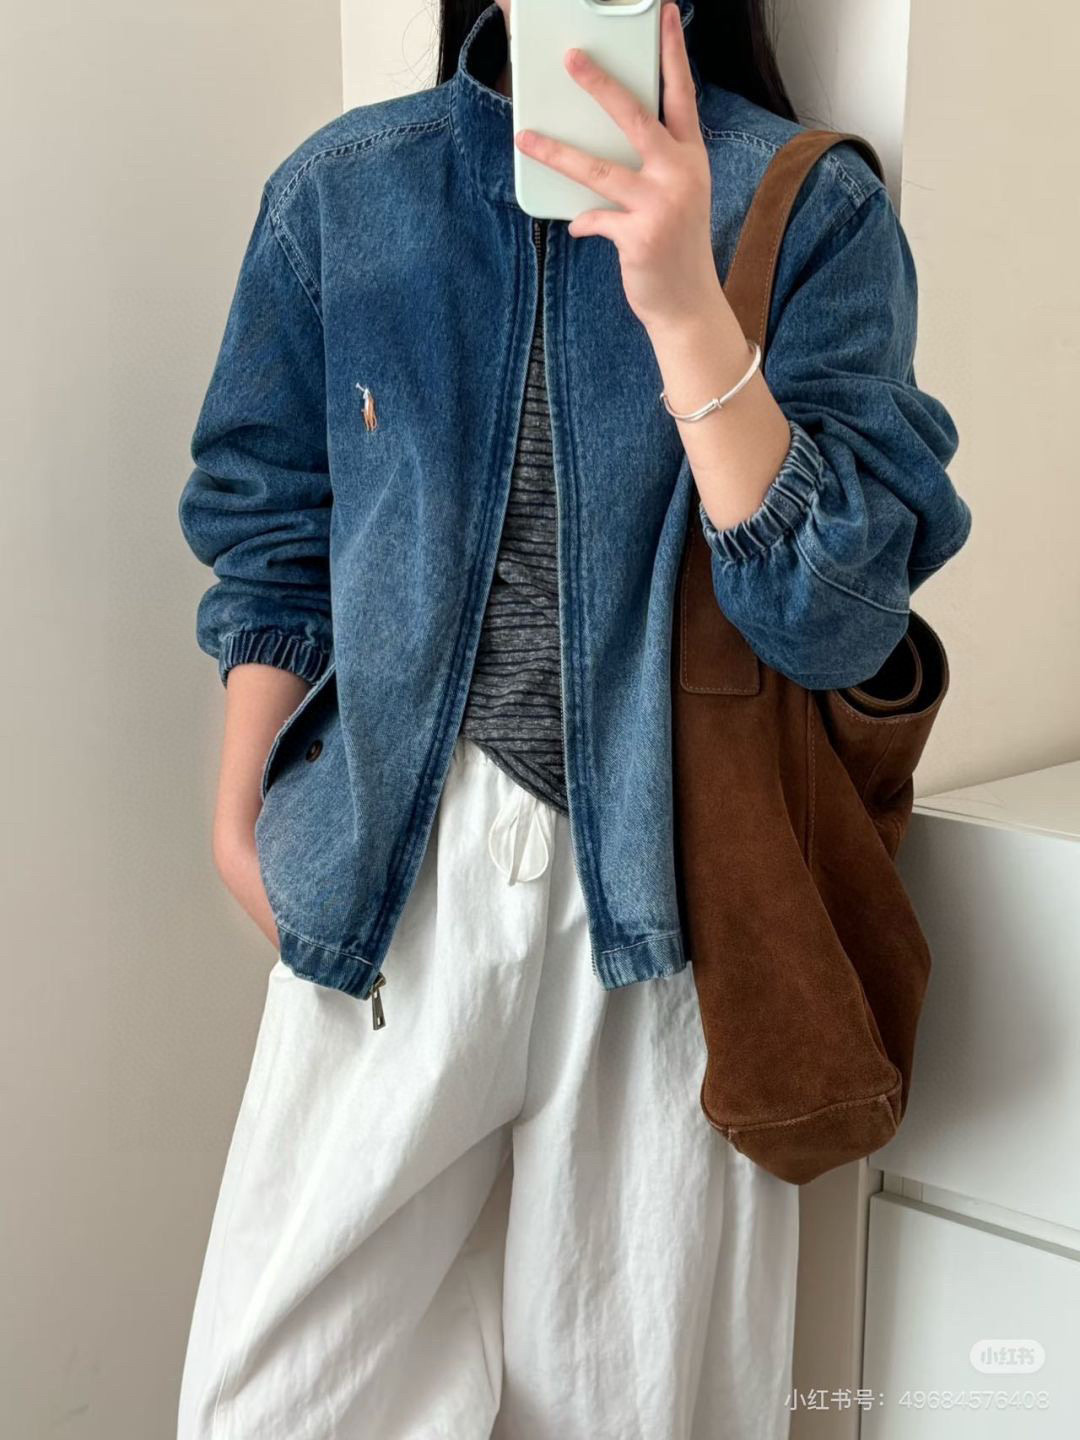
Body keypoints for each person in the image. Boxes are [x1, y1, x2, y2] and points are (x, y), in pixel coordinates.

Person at [175, 2, 972, 1436]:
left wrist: (685, 310)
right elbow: (271, 531)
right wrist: (243, 826)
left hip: (667, 918)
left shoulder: (809, 208)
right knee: (275, 1405)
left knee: (638, 1406)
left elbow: (838, 620)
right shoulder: (344, 194)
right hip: (389, 894)